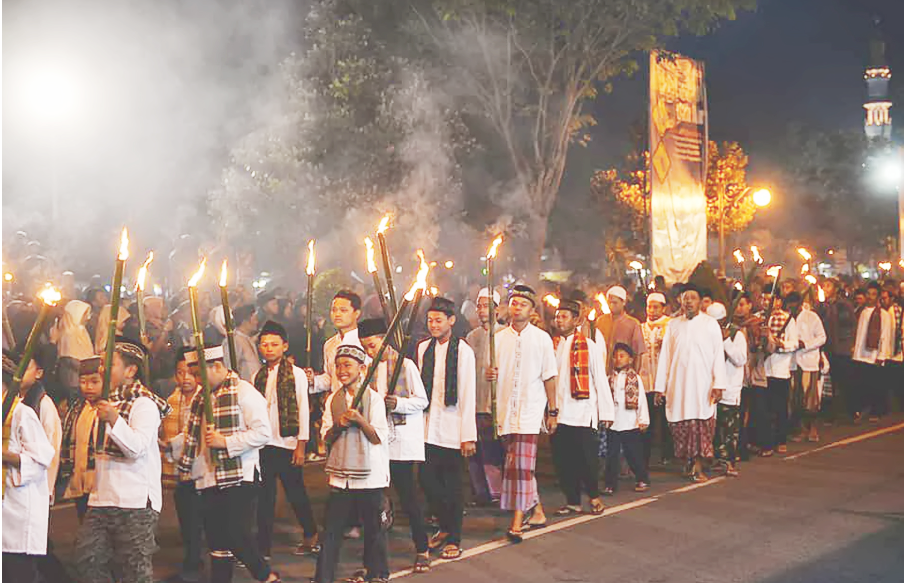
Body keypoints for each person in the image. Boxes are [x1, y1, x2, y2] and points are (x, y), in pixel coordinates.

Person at [176, 345, 281, 583]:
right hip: (209, 476)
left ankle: (267, 577)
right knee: (217, 541)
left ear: (216, 366)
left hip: (239, 475)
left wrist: (226, 442)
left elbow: (264, 433)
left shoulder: (244, 392)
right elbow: (195, 435)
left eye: (199, 374)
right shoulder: (202, 398)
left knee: (236, 535)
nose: (195, 380)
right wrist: (170, 445)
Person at [74, 338, 171, 583]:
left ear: (130, 370)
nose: (102, 369)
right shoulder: (104, 403)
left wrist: (115, 419)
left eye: (110, 364)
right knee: (88, 561)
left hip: (135, 501)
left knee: (133, 571)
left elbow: (136, 448)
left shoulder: (144, 404)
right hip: (101, 498)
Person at [485, 284, 558, 542]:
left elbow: (550, 377)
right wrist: (489, 375)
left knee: (521, 466)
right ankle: (536, 511)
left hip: (529, 410)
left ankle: (516, 521)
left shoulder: (542, 339)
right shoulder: (498, 339)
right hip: (505, 411)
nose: (517, 308)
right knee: (517, 466)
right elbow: (491, 374)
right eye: (514, 303)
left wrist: (553, 410)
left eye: (523, 304)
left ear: (531, 310)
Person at [359, 318, 431, 573]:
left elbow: (422, 400)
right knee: (374, 500)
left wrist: (397, 404)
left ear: (384, 340)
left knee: (408, 498)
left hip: (400, 441)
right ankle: (373, 561)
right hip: (377, 441)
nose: (370, 351)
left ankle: (422, 549)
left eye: (373, 345)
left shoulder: (405, 365)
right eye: (365, 346)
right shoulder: (365, 369)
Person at [316, 344, 390, 583]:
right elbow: (326, 436)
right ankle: (323, 577)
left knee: (373, 531)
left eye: (347, 365)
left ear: (362, 368)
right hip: (341, 476)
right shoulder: (332, 401)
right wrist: (340, 424)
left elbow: (377, 436)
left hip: (370, 476)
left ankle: (376, 573)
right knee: (331, 531)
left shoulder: (375, 400)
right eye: (338, 366)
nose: (341, 370)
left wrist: (359, 419)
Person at [416, 297, 477, 560]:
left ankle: (454, 537)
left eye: (439, 320)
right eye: (430, 320)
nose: (433, 325)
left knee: (453, 487)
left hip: (453, 429)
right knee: (426, 480)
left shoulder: (463, 351)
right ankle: (444, 524)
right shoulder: (422, 349)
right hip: (428, 428)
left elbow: (467, 393)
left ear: (451, 321)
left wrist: (468, 437)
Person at [253, 320, 319, 559]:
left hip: (287, 443)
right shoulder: (257, 375)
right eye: (264, 344)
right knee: (265, 497)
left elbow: (303, 408)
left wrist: (301, 444)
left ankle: (311, 532)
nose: (269, 348)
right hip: (264, 444)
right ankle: (263, 548)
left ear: (285, 346)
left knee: (295, 492)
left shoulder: (296, 374)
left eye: (274, 344)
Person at [654, 283, 727, 482]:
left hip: (703, 386)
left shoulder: (710, 324)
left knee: (702, 426)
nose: (688, 301)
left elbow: (718, 356)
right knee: (680, 426)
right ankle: (689, 462)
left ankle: (698, 466)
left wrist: (718, 383)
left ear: (700, 302)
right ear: (680, 300)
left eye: (693, 297)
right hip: (679, 387)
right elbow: (665, 358)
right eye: (685, 297)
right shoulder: (673, 325)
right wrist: (660, 387)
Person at [551, 299, 613, 514]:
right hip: (560, 413)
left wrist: (606, 411)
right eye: (558, 316)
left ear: (576, 320)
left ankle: (594, 497)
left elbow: (600, 380)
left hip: (583, 413)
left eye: (564, 316)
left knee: (587, 460)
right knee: (563, 461)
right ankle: (572, 500)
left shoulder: (589, 345)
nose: (559, 320)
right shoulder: (554, 345)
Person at [2, 351, 56, 583]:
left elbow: (41, 458)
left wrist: (5, 456)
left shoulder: (22, 413)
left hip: (16, 509)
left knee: (18, 573)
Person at [160, 347, 204, 583]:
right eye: (179, 373)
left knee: (200, 516)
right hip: (180, 470)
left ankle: (197, 557)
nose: (184, 378)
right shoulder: (171, 401)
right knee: (186, 516)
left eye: (189, 373)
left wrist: (174, 444)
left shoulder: (205, 398)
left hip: (200, 468)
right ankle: (192, 555)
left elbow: (194, 434)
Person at [464, 287, 505, 506]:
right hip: (475, 402)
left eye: (485, 306)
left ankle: (497, 491)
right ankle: (480, 492)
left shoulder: (504, 335)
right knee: (474, 451)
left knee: (492, 452)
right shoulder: (472, 336)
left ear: (497, 310)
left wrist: (499, 373)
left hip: (493, 404)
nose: (481, 310)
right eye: (478, 306)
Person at [58, 357, 103, 522]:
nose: (88, 387)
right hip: (79, 479)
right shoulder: (77, 408)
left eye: (94, 382)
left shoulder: (109, 409)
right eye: (83, 382)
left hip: (100, 481)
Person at [603, 343, 651, 496]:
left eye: (622, 356)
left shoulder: (634, 378)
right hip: (613, 422)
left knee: (633, 453)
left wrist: (643, 419)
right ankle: (610, 483)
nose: (618, 359)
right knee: (612, 454)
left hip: (630, 422)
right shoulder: (609, 378)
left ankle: (642, 478)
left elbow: (642, 399)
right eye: (616, 356)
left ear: (630, 359)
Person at [757, 293, 800, 457]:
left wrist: (781, 344)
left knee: (780, 407)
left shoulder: (788, 319)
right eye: (764, 298)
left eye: (771, 299)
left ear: (779, 301)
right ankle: (765, 441)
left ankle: (781, 439)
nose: (767, 302)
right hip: (763, 369)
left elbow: (794, 343)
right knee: (764, 408)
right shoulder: (759, 318)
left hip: (781, 368)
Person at [707, 303, 747, 477]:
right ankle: (714, 460)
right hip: (710, 390)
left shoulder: (736, 335)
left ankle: (729, 462)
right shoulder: (706, 334)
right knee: (713, 430)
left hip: (730, 390)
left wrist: (725, 341)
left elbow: (740, 359)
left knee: (729, 430)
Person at [851, 281, 893, 423]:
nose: (870, 297)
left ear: (878, 296)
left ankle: (875, 411)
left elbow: (884, 336)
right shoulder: (862, 311)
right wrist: (855, 351)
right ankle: (862, 409)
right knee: (861, 384)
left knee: (874, 385)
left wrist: (881, 355)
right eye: (868, 294)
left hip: (873, 356)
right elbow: (859, 334)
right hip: (860, 355)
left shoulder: (883, 314)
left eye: (873, 294)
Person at [639, 292, 672, 466]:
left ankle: (668, 453)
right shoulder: (641, 327)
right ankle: (645, 455)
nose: (651, 310)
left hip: (664, 381)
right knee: (647, 419)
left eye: (656, 307)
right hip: (645, 381)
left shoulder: (670, 326)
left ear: (663, 308)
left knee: (666, 419)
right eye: (649, 307)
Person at [311, 290, 364, 394]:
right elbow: (331, 377)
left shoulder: (364, 343)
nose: (337, 314)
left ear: (356, 313)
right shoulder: (329, 344)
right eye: (334, 310)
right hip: (336, 403)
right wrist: (313, 380)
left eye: (343, 310)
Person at [791, 296, 826, 443]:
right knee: (796, 396)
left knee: (810, 398)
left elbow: (822, 337)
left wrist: (805, 344)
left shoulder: (811, 317)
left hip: (808, 363)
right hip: (792, 363)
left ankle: (812, 428)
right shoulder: (787, 318)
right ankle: (801, 429)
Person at [594, 285, 645, 369]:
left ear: (624, 302)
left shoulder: (633, 324)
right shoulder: (600, 321)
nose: (611, 305)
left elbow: (638, 353)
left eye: (615, 302)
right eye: (609, 302)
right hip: (602, 370)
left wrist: (634, 375)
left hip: (623, 373)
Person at [227, 304, 261, 382]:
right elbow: (230, 368)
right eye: (254, 319)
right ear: (245, 321)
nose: (257, 322)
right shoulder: (234, 341)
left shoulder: (248, 338)